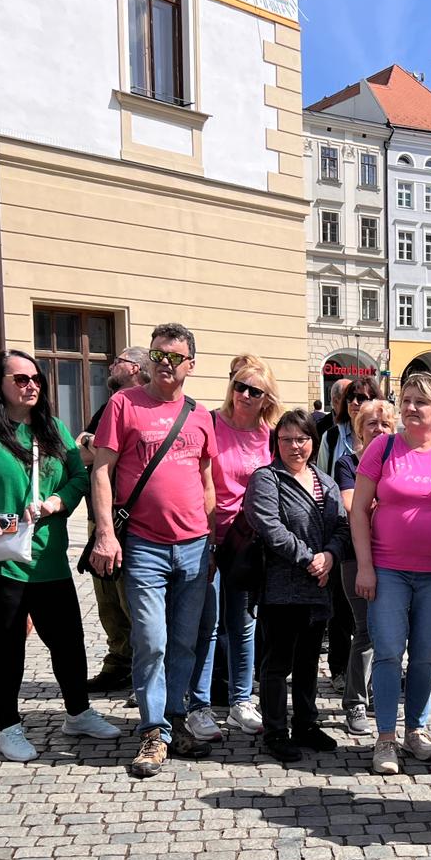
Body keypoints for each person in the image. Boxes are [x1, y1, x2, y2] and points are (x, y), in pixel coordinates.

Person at [0, 350, 120, 763]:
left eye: (36, 379)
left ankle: (78, 711)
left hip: (46, 555)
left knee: (68, 640)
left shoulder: (52, 428)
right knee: (6, 644)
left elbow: (79, 476)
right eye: (20, 379)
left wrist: (55, 503)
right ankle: (7, 728)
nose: (31, 385)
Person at [90, 323, 217, 775]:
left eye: (175, 357)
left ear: (191, 365)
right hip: (143, 545)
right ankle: (152, 731)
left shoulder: (201, 414)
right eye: (159, 355)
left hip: (194, 547)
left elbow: (205, 479)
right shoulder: (123, 404)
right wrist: (106, 533)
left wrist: (211, 537)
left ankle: (175, 719)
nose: (166, 364)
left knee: (184, 643)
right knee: (152, 641)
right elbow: (101, 471)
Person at [350, 372, 431, 774]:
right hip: (387, 571)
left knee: (425, 657)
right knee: (387, 653)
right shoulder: (382, 448)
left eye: (420, 401)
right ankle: (386, 738)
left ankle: (416, 730)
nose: (410, 408)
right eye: (406, 400)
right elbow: (358, 513)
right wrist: (365, 567)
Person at [245, 409, 350, 761]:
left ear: (312, 442)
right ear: (277, 442)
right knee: (277, 663)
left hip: (319, 586)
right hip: (282, 587)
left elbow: (341, 525)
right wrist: (310, 558)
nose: (295, 446)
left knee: (308, 661)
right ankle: (276, 730)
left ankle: (306, 722)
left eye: (302, 439)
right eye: (287, 439)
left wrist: (331, 557)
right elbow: (269, 527)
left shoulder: (325, 480)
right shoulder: (267, 479)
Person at [190, 354, 278, 739]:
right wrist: (206, 538)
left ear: (266, 398)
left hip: (250, 543)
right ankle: (199, 705)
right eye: (238, 386)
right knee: (206, 626)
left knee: (243, 626)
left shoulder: (268, 434)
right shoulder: (209, 423)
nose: (243, 394)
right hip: (209, 535)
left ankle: (242, 701)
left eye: (253, 390)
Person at [79, 348, 149, 693]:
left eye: (118, 360)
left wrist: (92, 443)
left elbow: (97, 450)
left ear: (135, 367)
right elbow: (81, 451)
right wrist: (91, 442)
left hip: (130, 518)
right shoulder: (110, 406)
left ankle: (143, 672)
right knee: (107, 600)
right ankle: (119, 662)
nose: (111, 365)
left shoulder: (141, 406)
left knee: (131, 599)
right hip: (100, 518)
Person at [335, 398, 396, 736]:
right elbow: (350, 505)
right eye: (372, 423)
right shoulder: (349, 463)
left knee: (387, 631)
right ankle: (355, 702)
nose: (379, 429)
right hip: (356, 556)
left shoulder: (398, 462)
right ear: (359, 428)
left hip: (394, 555)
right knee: (366, 630)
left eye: (385, 424)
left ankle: (377, 694)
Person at [318, 375, 378, 686]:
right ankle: (341, 668)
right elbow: (323, 477)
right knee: (341, 609)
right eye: (353, 397)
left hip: (381, 541)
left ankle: (371, 676)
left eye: (365, 396)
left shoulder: (389, 440)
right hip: (341, 527)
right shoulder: (331, 437)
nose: (357, 402)